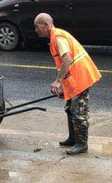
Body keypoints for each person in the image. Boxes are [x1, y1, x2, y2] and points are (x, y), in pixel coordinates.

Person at [34, 13, 101, 155]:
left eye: (37, 26)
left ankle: (82, 144)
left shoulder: (58, 37)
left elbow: (67, 59)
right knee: (70, 108)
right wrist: (64, 86)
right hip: (73, 79)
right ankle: (73, 138)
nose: (36, 30)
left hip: (80, 78)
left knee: (79, 112)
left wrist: (58, 81)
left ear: (46, 25)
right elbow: (64, 65)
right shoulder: (54, 37)